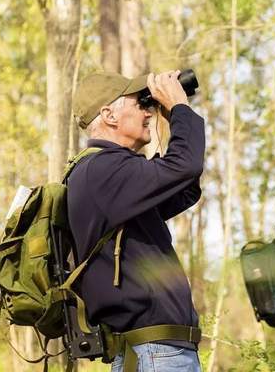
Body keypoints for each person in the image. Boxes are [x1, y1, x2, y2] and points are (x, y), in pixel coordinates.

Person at [68, 70, 205, 372]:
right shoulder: (102, 170)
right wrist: (181, 108)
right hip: (155, 353)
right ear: (109, 115)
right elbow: (186, 165)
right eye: (140, 103)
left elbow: (184, 188)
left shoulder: (106, 172)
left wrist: (170, 115)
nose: (148, 110)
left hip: (153, 353)